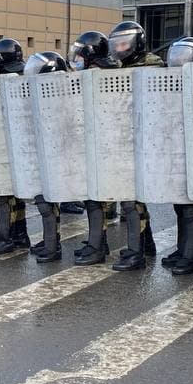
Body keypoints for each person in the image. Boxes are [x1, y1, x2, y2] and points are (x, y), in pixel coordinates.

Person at [106, 20, 162, 271]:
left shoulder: (152, 65)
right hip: (124, 138)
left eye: (124, 43)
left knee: (132, 200)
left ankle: (136, 252)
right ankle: (146, 245)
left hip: (144, 139)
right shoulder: (116, 67)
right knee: (131, 197)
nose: (120, 48)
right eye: (117, 44)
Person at [161, 36, 193, 275]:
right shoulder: (170, 81)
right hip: (177, 148)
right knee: (180, 205)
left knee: (191, 207)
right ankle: (182, 251)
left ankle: (191, 257)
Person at [68, 30, 115, 265]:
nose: (76, 58)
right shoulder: (97, 72)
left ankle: (97, 247)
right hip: (98, 142)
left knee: (96, 198)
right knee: (93, 198)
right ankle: (98, 242)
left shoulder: (101, 75)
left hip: (104, 144)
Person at [23, 50, 70, 262]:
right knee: (43, 200)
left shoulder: (64, 94)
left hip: (57, 154)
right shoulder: (35, 93)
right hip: (42, 152)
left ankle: (53, 247)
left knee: (48, 200)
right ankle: (50, 241)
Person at [0, 38, 30, 255]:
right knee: (16, 194)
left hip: (8, 143)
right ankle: (20, 234)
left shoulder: (6, 81)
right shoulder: (25, 76)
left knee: (6, 195)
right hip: (23, 144)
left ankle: (6, 238)